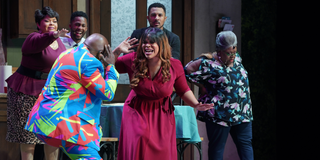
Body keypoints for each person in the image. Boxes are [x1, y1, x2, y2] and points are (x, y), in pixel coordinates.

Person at [24, 33, 137, 160]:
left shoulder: (68, 53)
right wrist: (111, 65)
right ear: (100, 53)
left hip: (45, 121)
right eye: (104, 54)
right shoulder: (89, 62)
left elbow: (92, 77)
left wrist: (115, 53)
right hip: (65, 124)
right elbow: (107, 93)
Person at [115, 27, 213, 160]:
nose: (147, 46)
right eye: (145, 42)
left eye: (152, 42)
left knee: (162, 151)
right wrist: (118, 51)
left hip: (161, 113)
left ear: (161, 45)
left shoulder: (174, 65)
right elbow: (107, 66)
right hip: (136, 110)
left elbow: (183, 90)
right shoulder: (133, 59)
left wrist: (196, 104)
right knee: (141, 138)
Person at [5, 6, 70, 160]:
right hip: (26, 92)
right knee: (28, 138)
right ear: (38, 24)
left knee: (52, 136)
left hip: (49, 93)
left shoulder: (59, 42)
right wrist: (54, 34)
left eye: (54, 21)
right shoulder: (33, 38)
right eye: (47, 21)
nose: (52, 24)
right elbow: (41, 41)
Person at [184, 31, 254, 160]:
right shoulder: (208, 62)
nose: (232, 55)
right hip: (220, 114)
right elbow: (186, 71)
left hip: (242, 112)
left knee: (246, 146)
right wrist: (203, 86)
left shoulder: (237, 58)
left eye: (234, 51)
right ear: (219, 50)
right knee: (217, 149)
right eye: (229, 53)